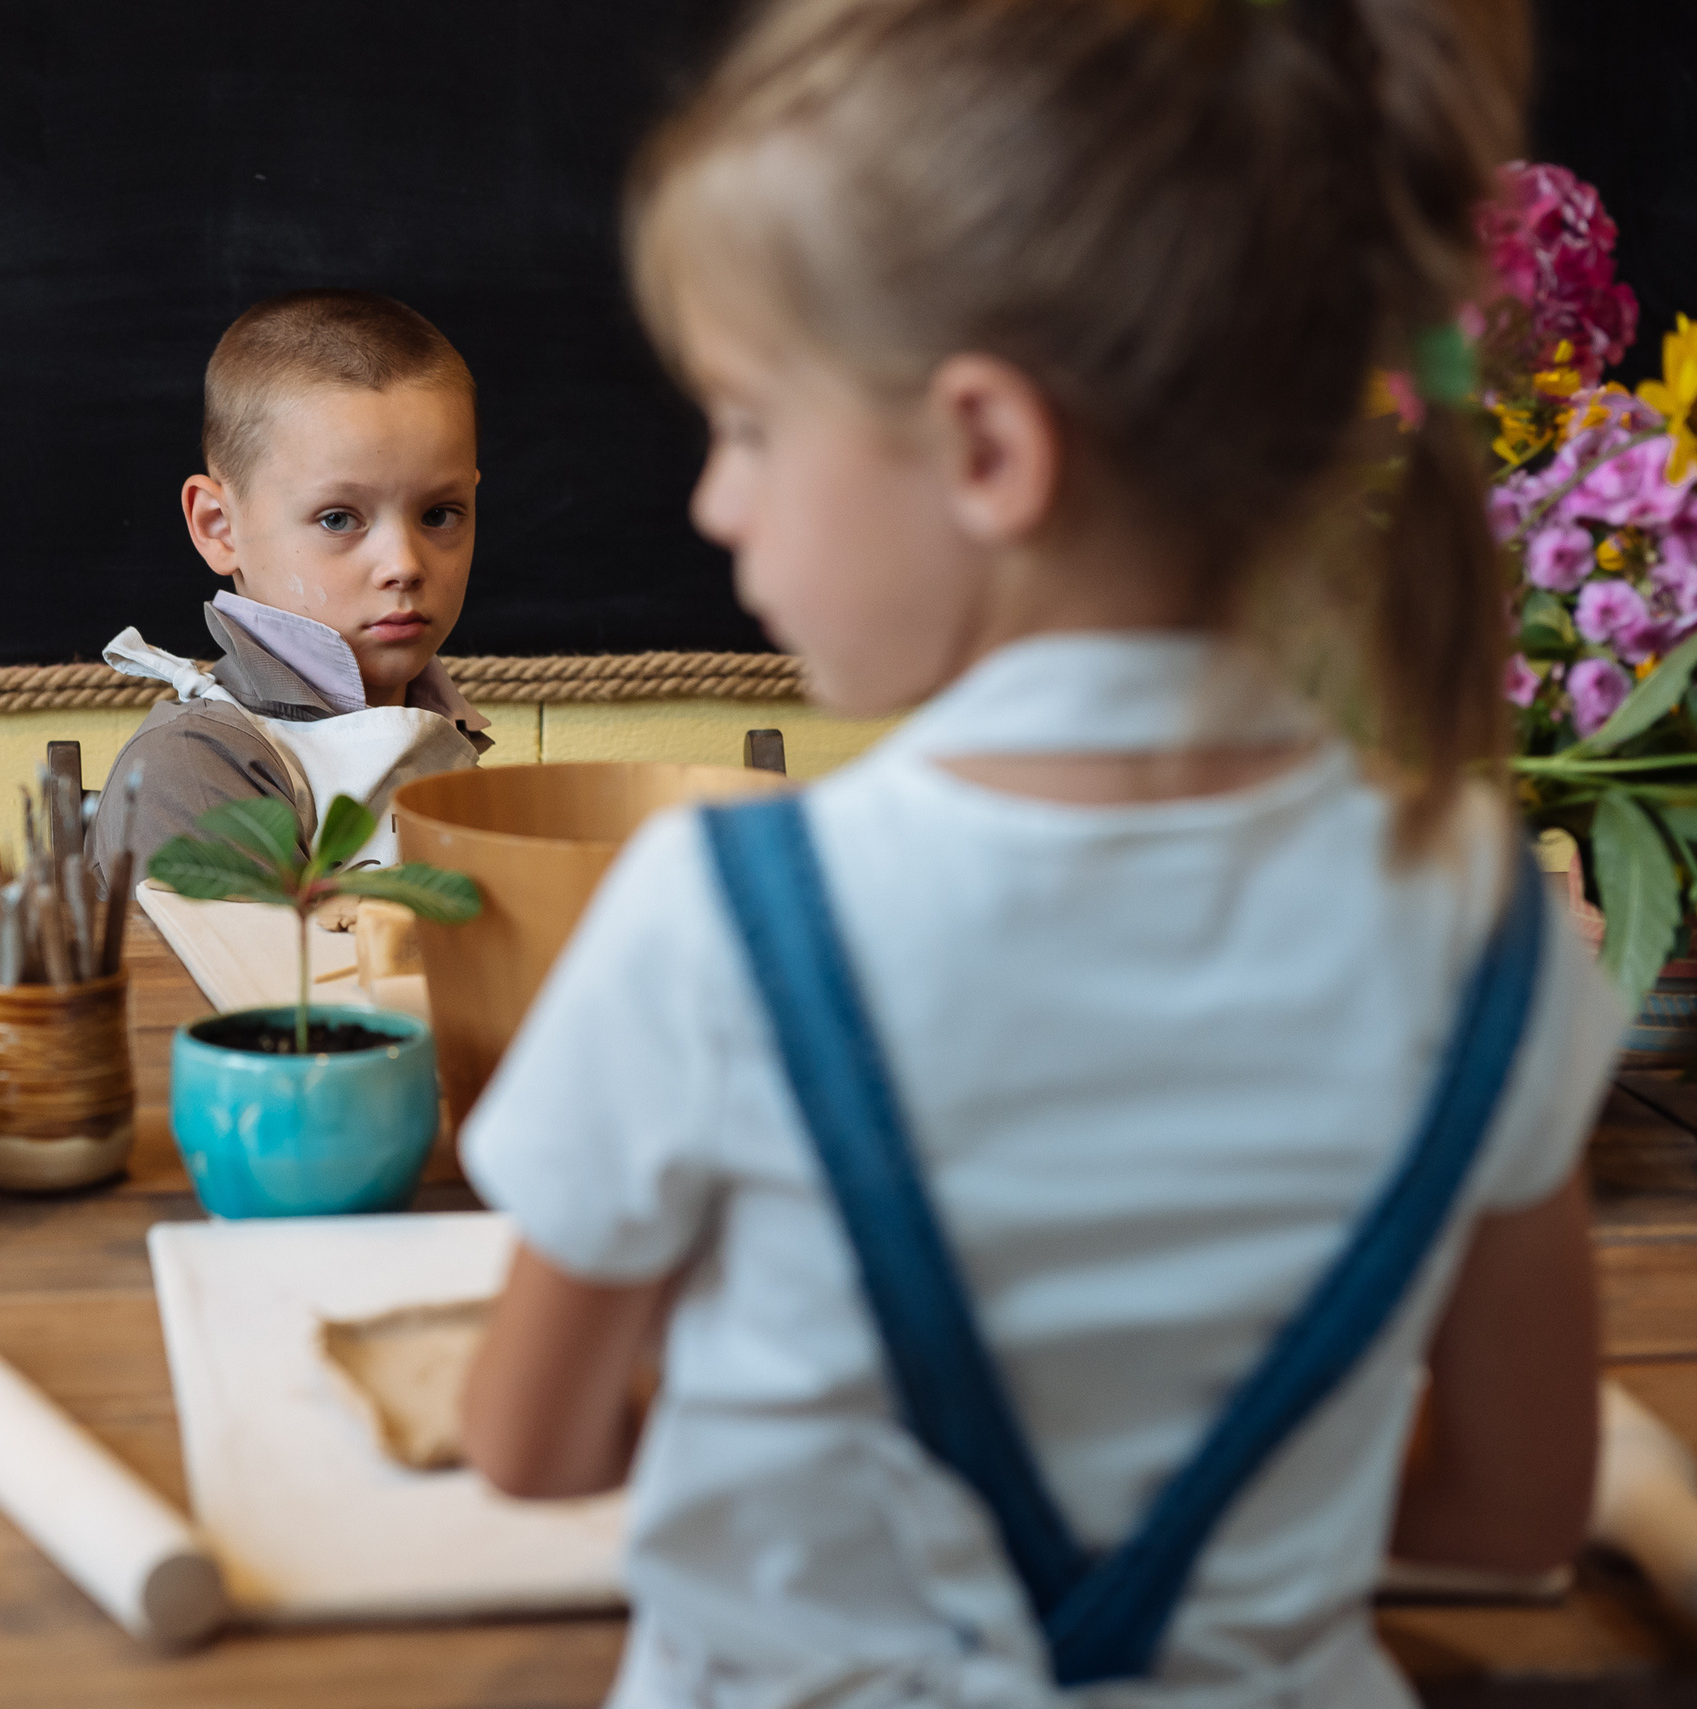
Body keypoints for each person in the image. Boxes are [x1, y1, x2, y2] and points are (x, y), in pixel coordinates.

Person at [458, 2, 1609, 1706]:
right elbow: (1518, 1511)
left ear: (989, 447)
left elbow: (530, 1448)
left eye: (754, 422)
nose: (715, 500)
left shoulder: (725, 918)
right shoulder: (1497, 927)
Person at [88, 289, 491, 884]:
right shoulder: (196, 768)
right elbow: (249, 978)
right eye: (337, 519)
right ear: (219, 527)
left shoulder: (445, 731)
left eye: (439, 514)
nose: (404, 564)